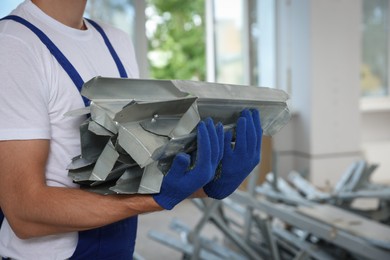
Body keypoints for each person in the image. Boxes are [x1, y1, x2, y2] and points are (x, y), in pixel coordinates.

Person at [0, 0, 263, 259]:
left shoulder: (116, 41)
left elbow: (136, 174)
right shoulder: (14, 44)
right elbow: (24, 213)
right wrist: (156, 200)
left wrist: (208, 182)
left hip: (120, 248)